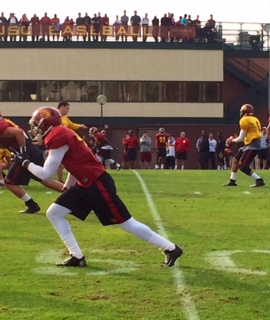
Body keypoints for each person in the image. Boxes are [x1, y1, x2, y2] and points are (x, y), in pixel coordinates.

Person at [17, 106, 183, 267]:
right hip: (86, 183)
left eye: (36, 125)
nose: (35, 129)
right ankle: (77, 256)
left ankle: (170, 248)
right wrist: (68, 187)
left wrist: (25, 163)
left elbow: (46, 173)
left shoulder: (59, 136)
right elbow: (75, 165)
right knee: (55, 212)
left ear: (46, 124)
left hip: (97, 183)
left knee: (126, 223)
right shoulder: (63, 133)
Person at [0, 111, 63, 213]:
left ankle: (32, 205)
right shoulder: (3, 122)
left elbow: (18, 133)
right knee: (45, 179)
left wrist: (23, 152)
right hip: (30, 152)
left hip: (27, 153)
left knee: (9, 182)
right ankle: (76, 197)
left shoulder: (1, 124)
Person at [223, 104, 265, 187]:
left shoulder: (245, 120)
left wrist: (233, 140)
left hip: (252, 145)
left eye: (241, 112)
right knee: (235, 159)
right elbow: (248, 134)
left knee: (243, 166)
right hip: (251, 143)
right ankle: (232, 180)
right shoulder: (254, 119)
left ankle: (259, 180)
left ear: (244, 112)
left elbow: (241, 138)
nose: (240, 113)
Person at [57, 101, 87, 183]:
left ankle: (64, 181)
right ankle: (60, 181)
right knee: (59, 162)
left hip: (65, 142)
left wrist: (80, 126)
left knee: (67, 161)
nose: (68, 110)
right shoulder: (55, 116)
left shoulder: (65, 118)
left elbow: (71, 125)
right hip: (58, 142)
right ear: (62, 107)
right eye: (67, 108)